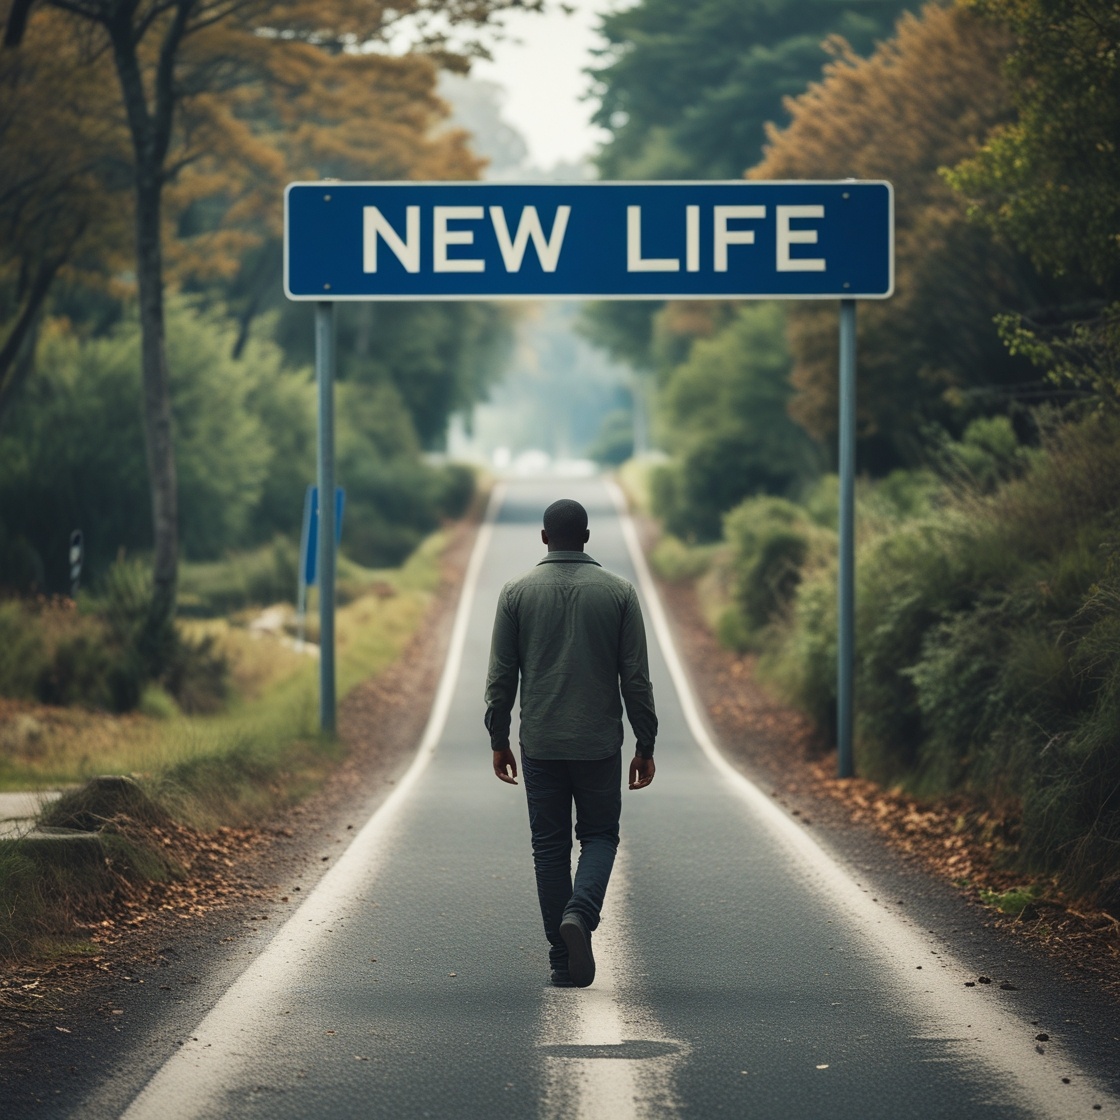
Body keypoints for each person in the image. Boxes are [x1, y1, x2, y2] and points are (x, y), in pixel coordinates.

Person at [484, 497, 657, 988]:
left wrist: (498, 736)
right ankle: (580, 915)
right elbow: (636, 679)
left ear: (544, 537)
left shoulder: (516, 593)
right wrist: (646, 742)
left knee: (549, 848)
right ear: (585, 538)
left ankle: (562, 963)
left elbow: (500, 677)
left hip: (540, 743)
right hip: (599, 743)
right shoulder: (619, 593)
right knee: (600, 837)